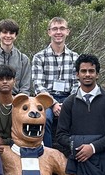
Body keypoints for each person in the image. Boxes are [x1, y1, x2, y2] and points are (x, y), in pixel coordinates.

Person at [31, 17, 78, 146]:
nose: (58, 32)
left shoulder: (75, 57)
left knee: (80, 119)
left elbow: (77, 84)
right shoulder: (39, 57)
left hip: (70, 98)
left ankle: (74, 155)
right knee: (43, 119)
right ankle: (47, 155)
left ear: (68, 31)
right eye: (55, 29)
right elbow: (38, 85)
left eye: (62, 28)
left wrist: (66, 104)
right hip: (46, 99)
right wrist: (54, 103)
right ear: (49, 32)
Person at [0, 19, 32, 98]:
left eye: (11, 33)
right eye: (4, 32)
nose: (8, 36)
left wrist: (16, 101)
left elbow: (25, 88)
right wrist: (0, 103)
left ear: (16, 36)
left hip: (18, 102)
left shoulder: (24, 60)